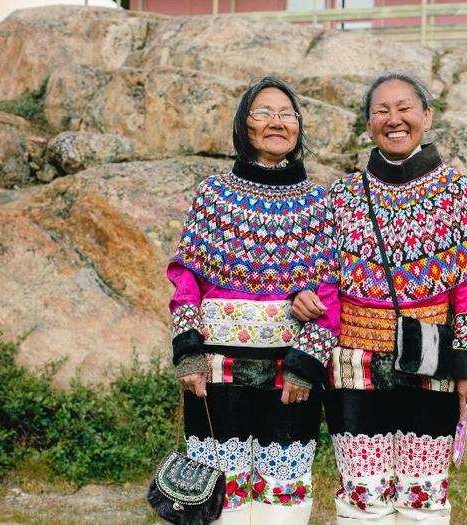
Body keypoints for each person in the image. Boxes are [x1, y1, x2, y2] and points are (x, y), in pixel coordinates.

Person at [292, 72, 467, 525]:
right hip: (353, 363)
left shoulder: (454, 190)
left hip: (431, 358)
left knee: (423, 496)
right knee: (363, 497)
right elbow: (322, 279)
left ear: (427, 116)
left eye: (404, 108)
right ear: (367, 123)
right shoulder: (342, 195)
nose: (394, 120)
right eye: (382, 111)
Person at [168, 76, 340, 525]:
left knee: (282, 498)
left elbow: (330, 291)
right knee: (221, 495)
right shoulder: (214, 194)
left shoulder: (319, 203)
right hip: (219, 372)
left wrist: (307, 364)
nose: (276, 123)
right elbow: (186, 276)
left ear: (299, 127)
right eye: (263, 113)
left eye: (286, 114)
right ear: (244, 126)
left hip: (290, 375)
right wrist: (187, 351)